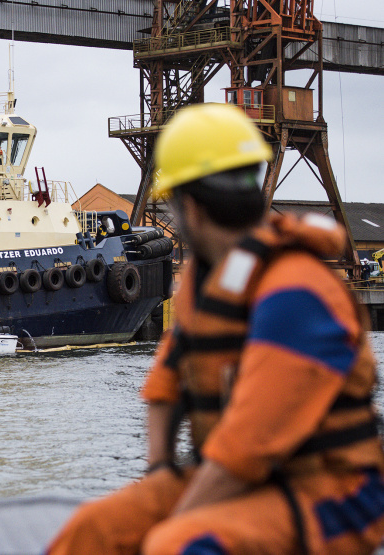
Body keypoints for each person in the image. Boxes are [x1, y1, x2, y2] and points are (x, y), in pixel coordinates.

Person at [47, 103, 384, 555]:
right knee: (94, 529)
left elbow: (249, 448)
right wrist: (162, 473)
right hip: (243, 479)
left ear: (189, 207)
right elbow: (165, 390)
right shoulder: (208, 288)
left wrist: (178, 517)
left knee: (177, 543)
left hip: (332, 497)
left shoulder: (296, 293)